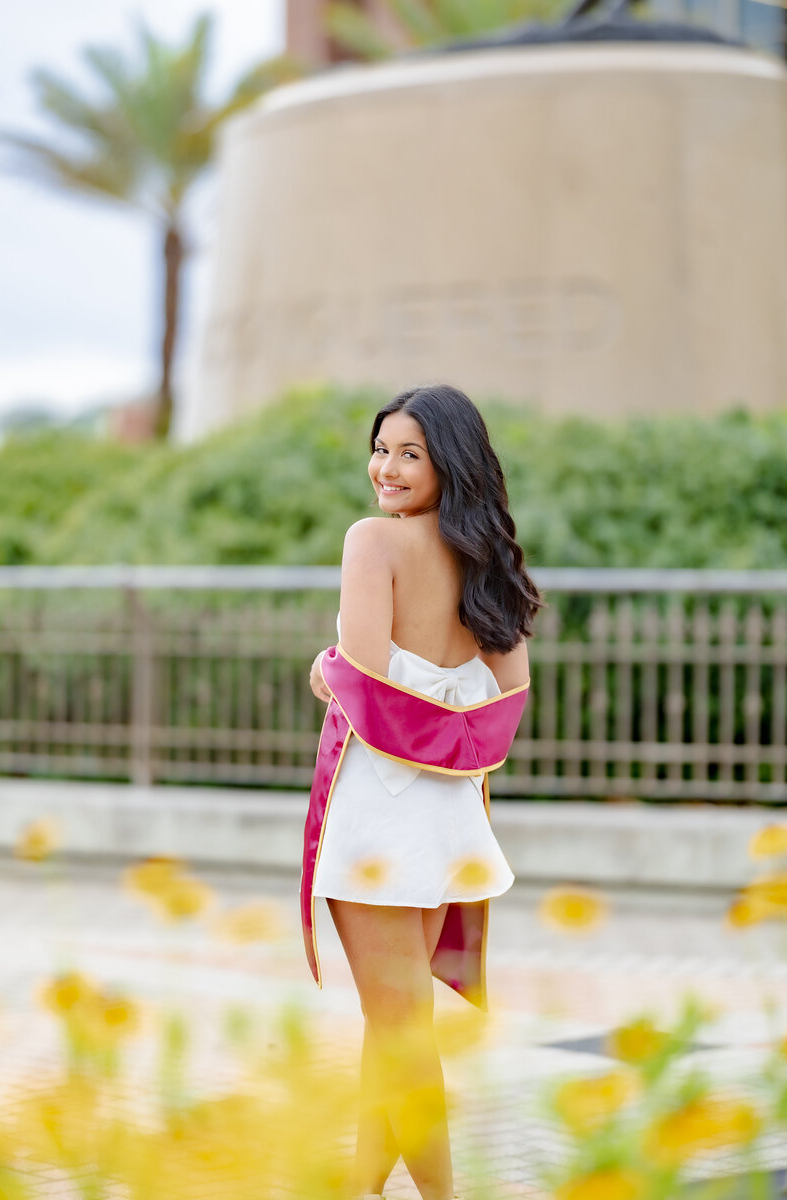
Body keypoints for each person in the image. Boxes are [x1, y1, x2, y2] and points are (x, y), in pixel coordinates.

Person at [304, 384, 542, 1200]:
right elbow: (508, 700)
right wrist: (446, 717)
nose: (387, 468)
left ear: (451, 462)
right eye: (381, 449)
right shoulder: (489, 561)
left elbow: (364, 671)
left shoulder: (374, 542)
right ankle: (357, 1189)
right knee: (395, 1027)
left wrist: (326, 670)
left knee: (401, 1034)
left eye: (410, 453)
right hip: (447, 818)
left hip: (379, 814)